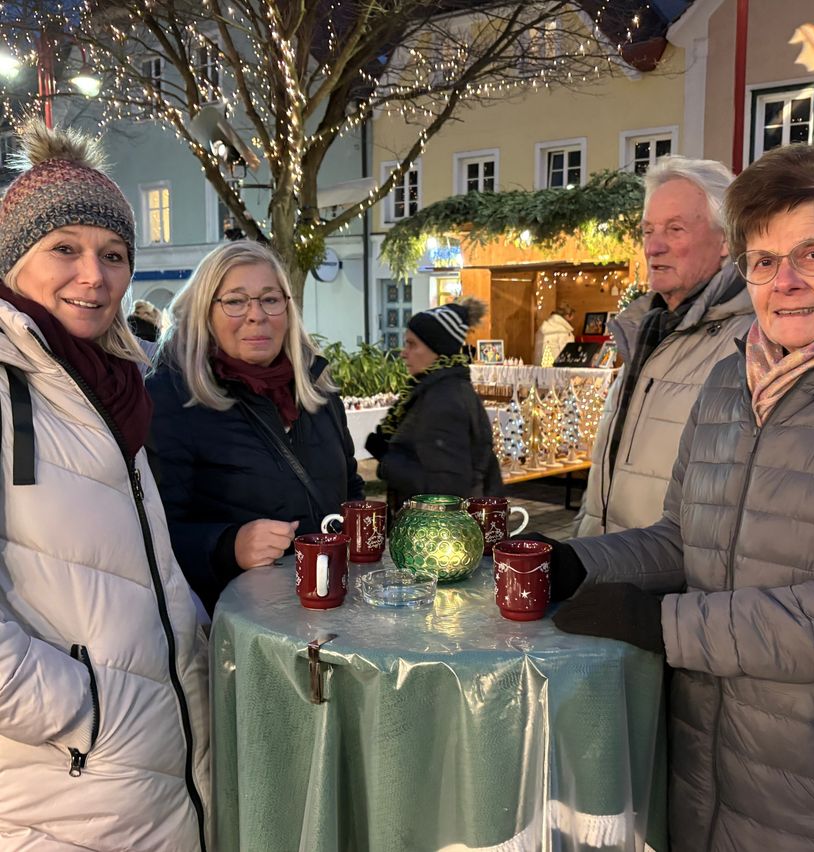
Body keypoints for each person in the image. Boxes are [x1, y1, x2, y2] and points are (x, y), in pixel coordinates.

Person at [543, 143, 814, 850]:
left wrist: (665, 626)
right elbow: (681, 540)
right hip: (702, 755)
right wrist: (578, 564)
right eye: (766, 262)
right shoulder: (728, 383)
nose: (786, 282)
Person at [0, 120, 210, 849]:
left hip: (155, 755)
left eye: (113, 255)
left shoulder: (111, 386)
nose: (94, 276)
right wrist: (83, 708)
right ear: (14, 260)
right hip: (62, 786)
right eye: (65, 249)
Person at [146, 240, 364, 613]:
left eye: (269, 299)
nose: (256, 315)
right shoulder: (172, 397)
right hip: (248, 624)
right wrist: (228, 545)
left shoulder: (317, 388)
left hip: (338, 608)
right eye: (235, 301)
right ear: (205, 312)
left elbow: (351, 487)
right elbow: (153, 533)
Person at [572, 156, 754, 537]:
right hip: (608, 571)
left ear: (725, 240)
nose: (653, 247)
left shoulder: (748, 341)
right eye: (648, 230)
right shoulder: (646, 330)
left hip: (668, 585)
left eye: (675, 229)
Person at [365, 298, 503, 517]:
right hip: (437, 528)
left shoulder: (444, 400)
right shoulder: (435, 390)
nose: (403, 352)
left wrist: (388, 460)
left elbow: (446, 488)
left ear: (437, 350)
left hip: (438, 534)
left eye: (412, 344)